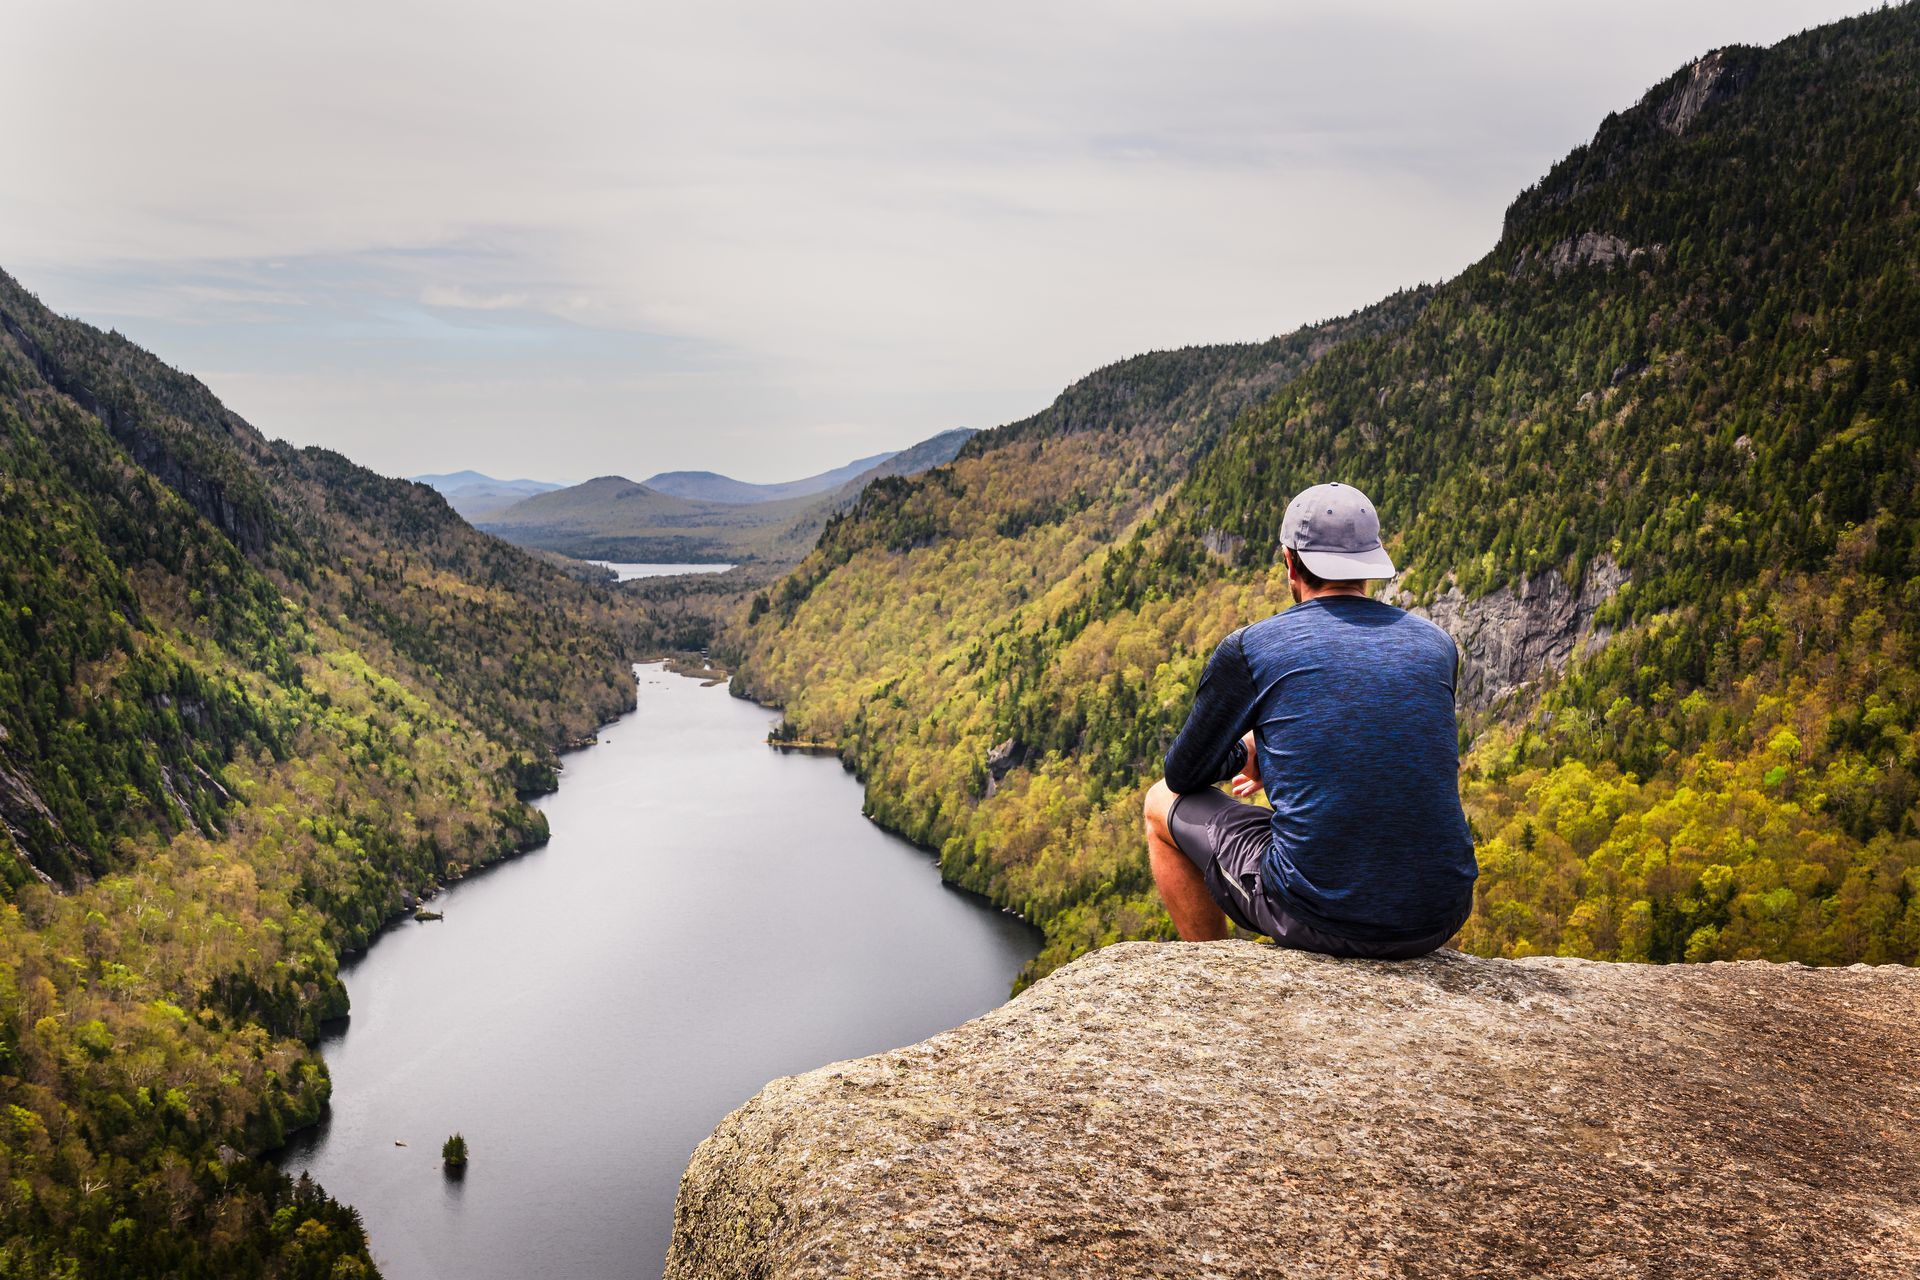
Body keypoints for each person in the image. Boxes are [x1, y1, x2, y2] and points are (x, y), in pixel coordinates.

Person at [1142, 481, 1476, 959]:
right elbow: (1377, 741)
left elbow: (1184, 773)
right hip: (1439, 912)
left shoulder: (1253, 648)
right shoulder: (1436, 645)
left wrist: (1246, 750)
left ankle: (1208, 973)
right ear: (1371, 564)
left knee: (1161, 800)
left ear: (1289, 562)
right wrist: (1274, 751)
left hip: (1317, 914)